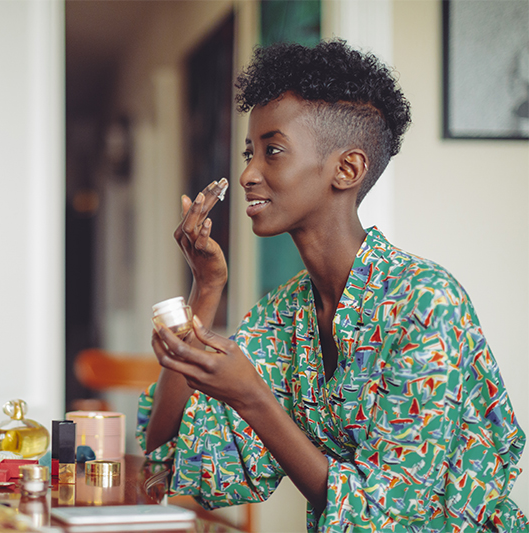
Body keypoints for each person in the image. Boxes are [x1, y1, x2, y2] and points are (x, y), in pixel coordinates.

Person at [136, 40, 527, 532]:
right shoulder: (283, 317)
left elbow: (384, 520)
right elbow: (168, 455)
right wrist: (206, 290)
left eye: (272, 151)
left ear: (347, 169)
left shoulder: (427, 304)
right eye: (249, 152)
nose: (246, 174)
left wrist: (254, 397)